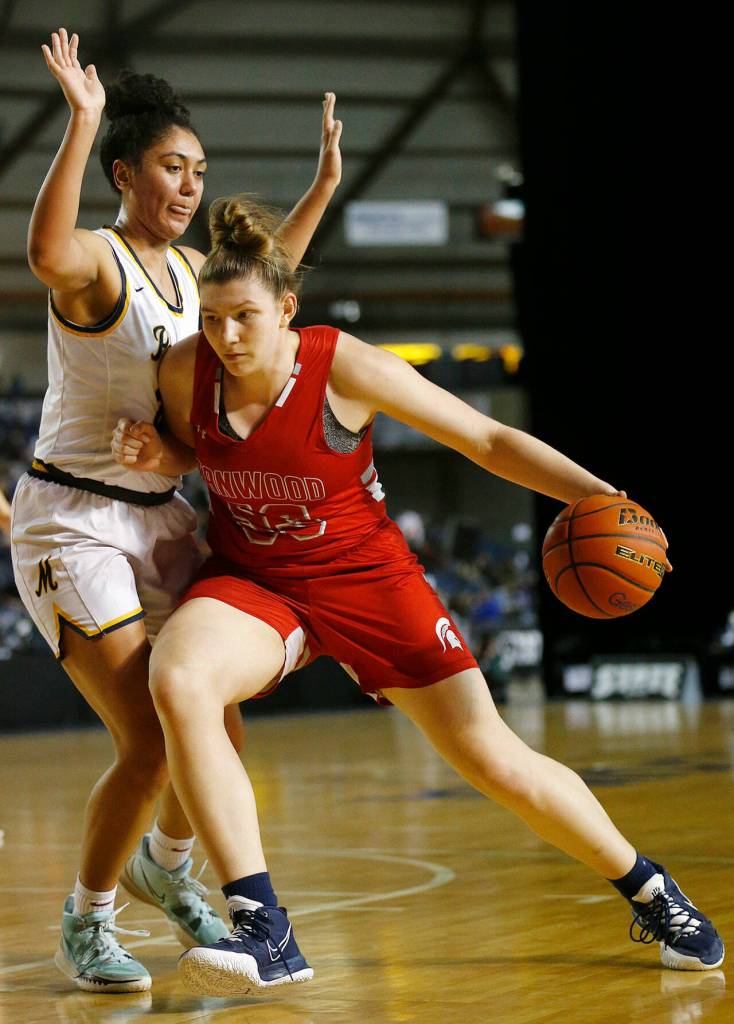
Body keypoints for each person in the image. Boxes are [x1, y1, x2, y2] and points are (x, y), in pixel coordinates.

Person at [112, 196, 724, 997]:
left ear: (287, 310)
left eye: (245, 318)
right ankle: (266, 928)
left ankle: (652, 891)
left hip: (368, 581)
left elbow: (488, 439)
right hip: (256, 581)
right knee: (180, 679)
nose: (227, 336)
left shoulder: (346, 368)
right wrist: (157, 452)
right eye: (214, 319)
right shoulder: (185, 369)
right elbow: (193, 451)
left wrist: (603, 497)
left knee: (494, 759)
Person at [10, 28, 341, 993]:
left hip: (158, 513)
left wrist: (322, 186)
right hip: (74, 520)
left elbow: (265, 284)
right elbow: (43, 250)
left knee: (216, 728)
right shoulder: (99, 263)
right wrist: (81, 119)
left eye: (198, 169)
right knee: (150, 741)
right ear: (125, 173)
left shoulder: (195, 274)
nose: (190, 185)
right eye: (170, 167)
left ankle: (168, 864)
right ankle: (87, 918)